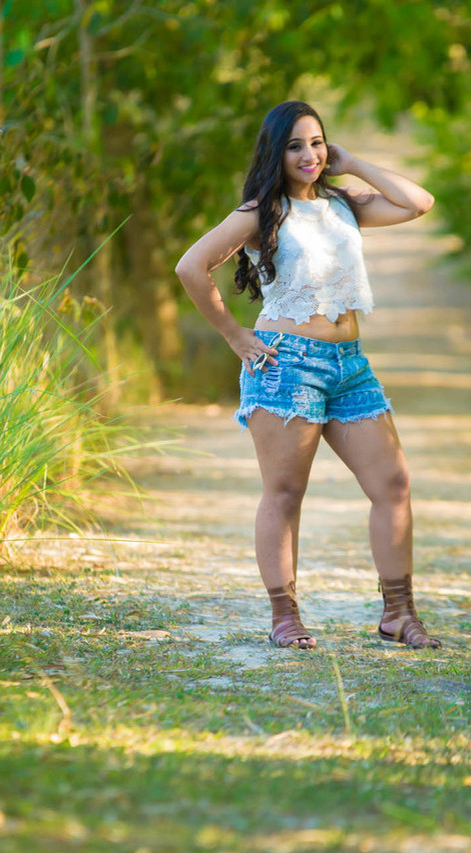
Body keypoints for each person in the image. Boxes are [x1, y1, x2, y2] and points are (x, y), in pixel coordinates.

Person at [175, 99, 441, 650]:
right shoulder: (259, 213)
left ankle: (399, 613)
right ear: (276, 152)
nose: (310, 154)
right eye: (296, 145)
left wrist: (353, 162)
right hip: (286, 362)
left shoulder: (343, 205)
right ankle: (286, 618)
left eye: (316, 142)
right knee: (286, 491)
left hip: (350, 366)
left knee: (393, 484)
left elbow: (418, 203)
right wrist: (235, 335)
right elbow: (190, 266)